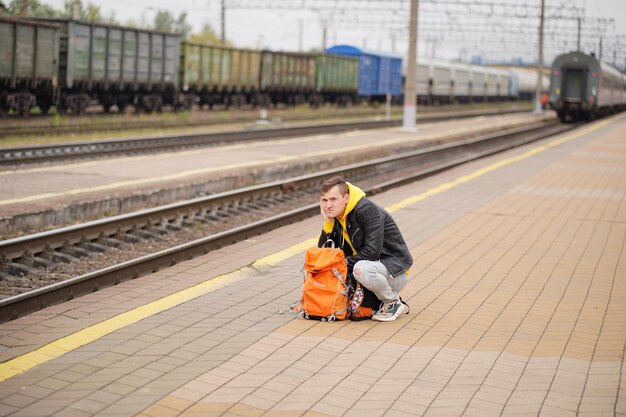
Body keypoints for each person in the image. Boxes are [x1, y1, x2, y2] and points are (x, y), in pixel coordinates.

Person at [318, 176, 413, 322]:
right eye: (324, 200)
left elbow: (372, 252)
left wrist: (340, 264)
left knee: (361, 268)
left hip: (393, 271)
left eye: (333, 199)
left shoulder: (367, 210)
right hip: (368, 270)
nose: (328, 205)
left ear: (346, 198)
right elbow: (324, 252)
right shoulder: (338, 216)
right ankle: (375, 302)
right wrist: (328, 223)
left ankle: (392, 301)